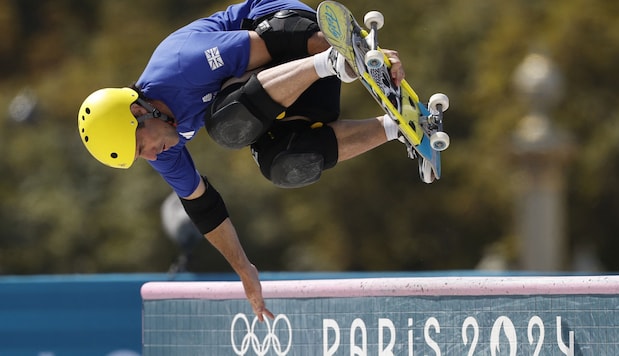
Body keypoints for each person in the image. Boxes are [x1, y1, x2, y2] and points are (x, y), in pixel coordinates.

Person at [77, 0, 406, 322]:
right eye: (140, 157)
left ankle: (333, 61)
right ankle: (399, 127)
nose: (151, 156)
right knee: (283, 161)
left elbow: (276, 41)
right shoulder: (162, 146)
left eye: (141, 145)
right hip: (292, 80)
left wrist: (361, 52)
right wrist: (245, 272)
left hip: (291, 29)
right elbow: (205, 208)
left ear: (139, 111)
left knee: (225, 125)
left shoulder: (182, 65)